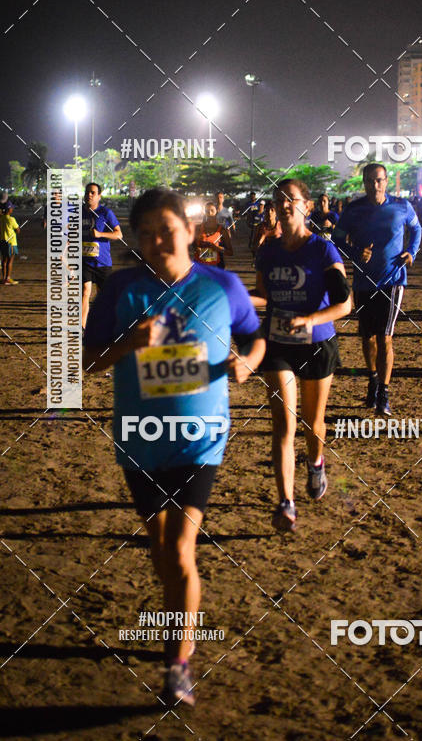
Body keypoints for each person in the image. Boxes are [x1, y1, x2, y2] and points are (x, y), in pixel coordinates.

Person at [83, 188, 265, 706]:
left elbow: (255, 337)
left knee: (182, 550)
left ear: (189, 228)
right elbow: (85, 363)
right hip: (140, 440)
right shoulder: (121, 290)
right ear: (137, 238)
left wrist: (248, 361)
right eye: (147, 232)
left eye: (167, 228)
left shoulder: (223, 285)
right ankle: (176, 620)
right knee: (162, 552)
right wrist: (128, 345)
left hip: (200, 439)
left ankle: (177, 665)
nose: (159, 239)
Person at [253, 179, 352, 532]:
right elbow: (263, 296)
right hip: (279, 344)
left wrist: (309, 319)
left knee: (313, 424)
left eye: (291, 199)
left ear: (307, 206)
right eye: (278, 200)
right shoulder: (267, 250)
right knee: (283, 424)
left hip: (317, 344)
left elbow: (345, 303)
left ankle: (316, 461)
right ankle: (286, 502)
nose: (284, 205)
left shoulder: (323, 251)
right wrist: (231, 296)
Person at [332, 163, 421, 415]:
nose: (375, 185)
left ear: (387, 181)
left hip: (392, 280)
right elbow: (337, 239)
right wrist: (354, 253)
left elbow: (417, 228)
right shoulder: (352, 210)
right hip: (363, 281)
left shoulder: (402, 206)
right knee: (367, 337)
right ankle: (372, 380)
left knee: (385, 337)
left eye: (379, 180)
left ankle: (384, 391)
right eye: (370, 181)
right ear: (364, 182)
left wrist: (411, 252)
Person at [82, 183, 122, 329]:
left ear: (99, 196)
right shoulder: (79, 212)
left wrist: (100, 234)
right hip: (84, 260)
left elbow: (119, 234)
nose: (89, 195)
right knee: (85, 292)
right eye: (87, 192)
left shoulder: (105, 213)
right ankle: (82, 328)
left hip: (103, 262)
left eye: (93, 193)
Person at [193, 201, 233, 268]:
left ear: (217, 211)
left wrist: (216, 248)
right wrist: (197, 248)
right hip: (200, 266)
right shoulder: (198, 228)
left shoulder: (222, 231)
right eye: (207, 211)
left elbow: (230, 252)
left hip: (216, 267)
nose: (209, 213)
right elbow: (194, 245)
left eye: (212, 210)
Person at [0, 202, 20, 285]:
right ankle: (8, 278)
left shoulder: (1, 218)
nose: (12, 209)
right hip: (11, 242)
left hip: (3, 241)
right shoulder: (11, 219)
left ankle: (4, 278)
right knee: (10, 261)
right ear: (9, 209)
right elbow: (18, 230)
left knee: (4, 260)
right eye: (11, 208)